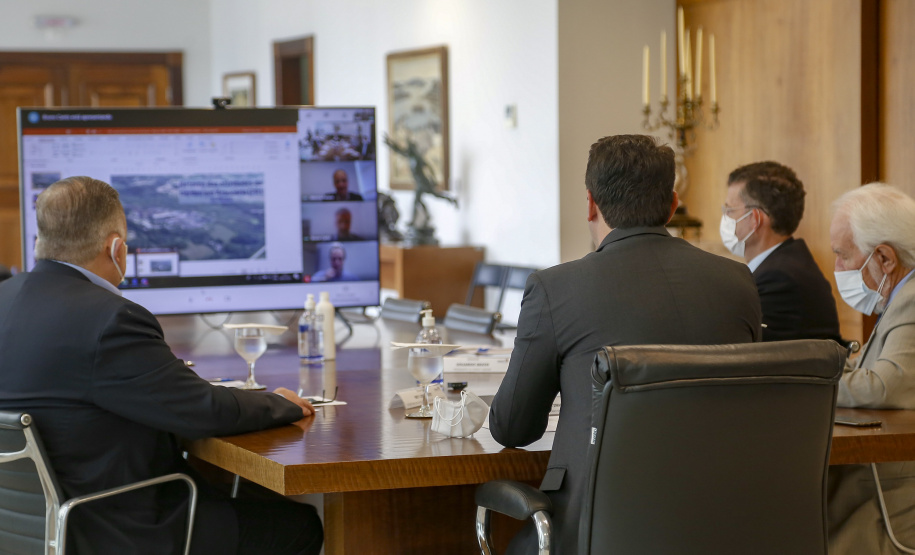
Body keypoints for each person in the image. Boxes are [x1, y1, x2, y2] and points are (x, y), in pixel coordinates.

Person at [0, 176, 323, 555]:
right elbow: (204, 411)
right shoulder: (111, 319)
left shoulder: (5, 297)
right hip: (117, 529)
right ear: (117, 248)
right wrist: (281, 403)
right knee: (299, 525)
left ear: (41, 240)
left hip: (30, 529)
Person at [488, 135, 762, 555]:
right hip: (717, 523)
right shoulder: (737, 282)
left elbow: (514, 427)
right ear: (672, 205)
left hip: (590, 530)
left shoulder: (555, 288)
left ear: (590, 204)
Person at [827, 183, 915, 555]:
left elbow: (885, 386)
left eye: (842, 256)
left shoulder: (911, 299)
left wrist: (807, 380)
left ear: (885, 258)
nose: (837, 269)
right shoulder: (899, 297)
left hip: (891, 498)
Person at [722, 161, 842, 342]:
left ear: (754, 219)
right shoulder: (788, 263)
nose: (725, 217)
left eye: (729, 210)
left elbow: (743, 352)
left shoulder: (780, 279)